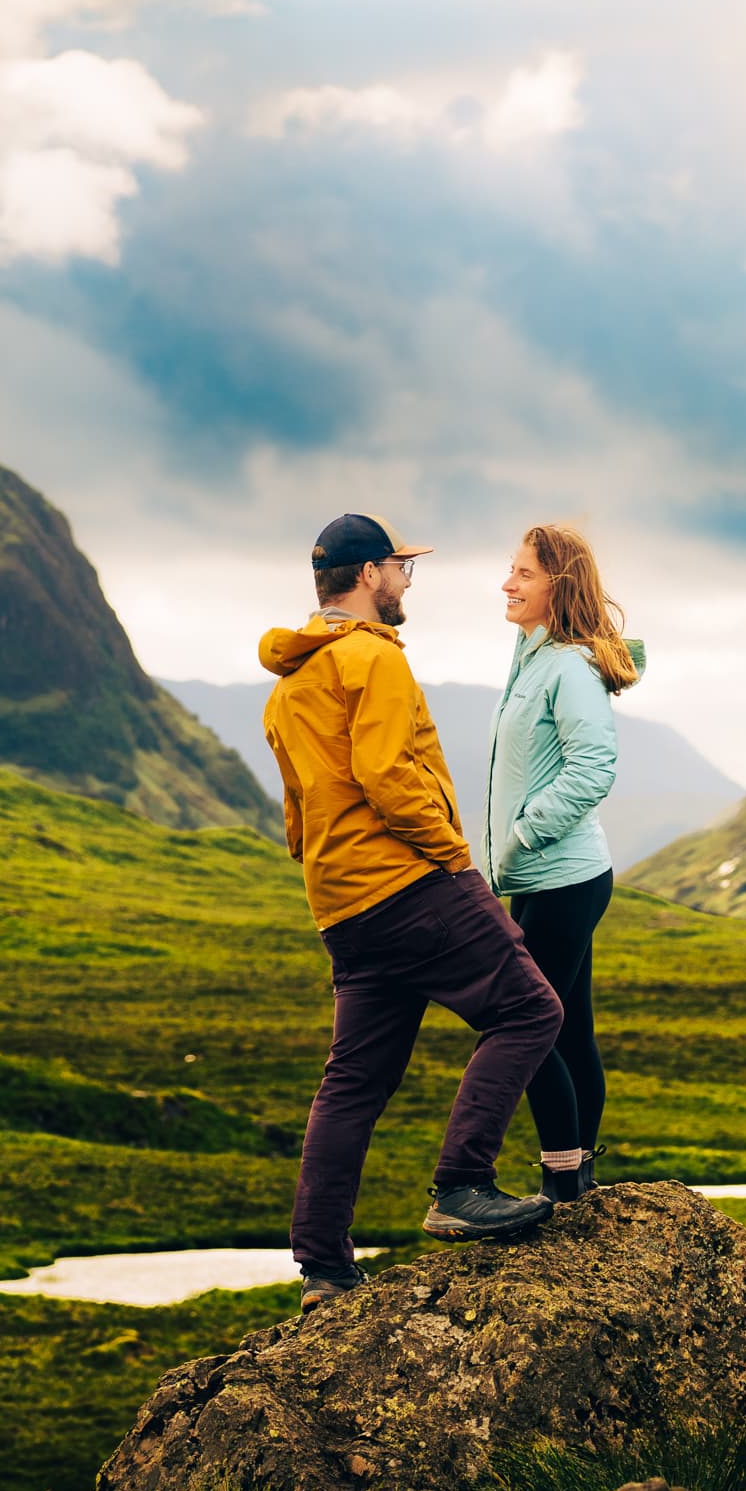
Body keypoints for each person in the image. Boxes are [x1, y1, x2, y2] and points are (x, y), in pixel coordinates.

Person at [261, 512, 565, 1312]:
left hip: (343, 906)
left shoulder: (290, 683)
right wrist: (453, 857)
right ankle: (463, 1184)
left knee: (353, 1083)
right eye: (401, 568)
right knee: (533, 1011)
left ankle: (324, 1268)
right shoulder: (373, 661)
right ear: (368, 575)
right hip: (412, 882)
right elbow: (386, 772)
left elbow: (297, 815)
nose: (404, 583)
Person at [484, 524, 642, 1203]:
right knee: (568, 1023)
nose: (507, 583)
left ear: (558, 584)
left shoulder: (569, 666)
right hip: (546, 879)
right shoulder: (532, 655)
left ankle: (562, 1176)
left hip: (563, 877)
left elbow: (592, 768)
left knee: (524, 1019)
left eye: (522, 572)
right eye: (510, 570)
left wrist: (521, 836)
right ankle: (576, 1177)